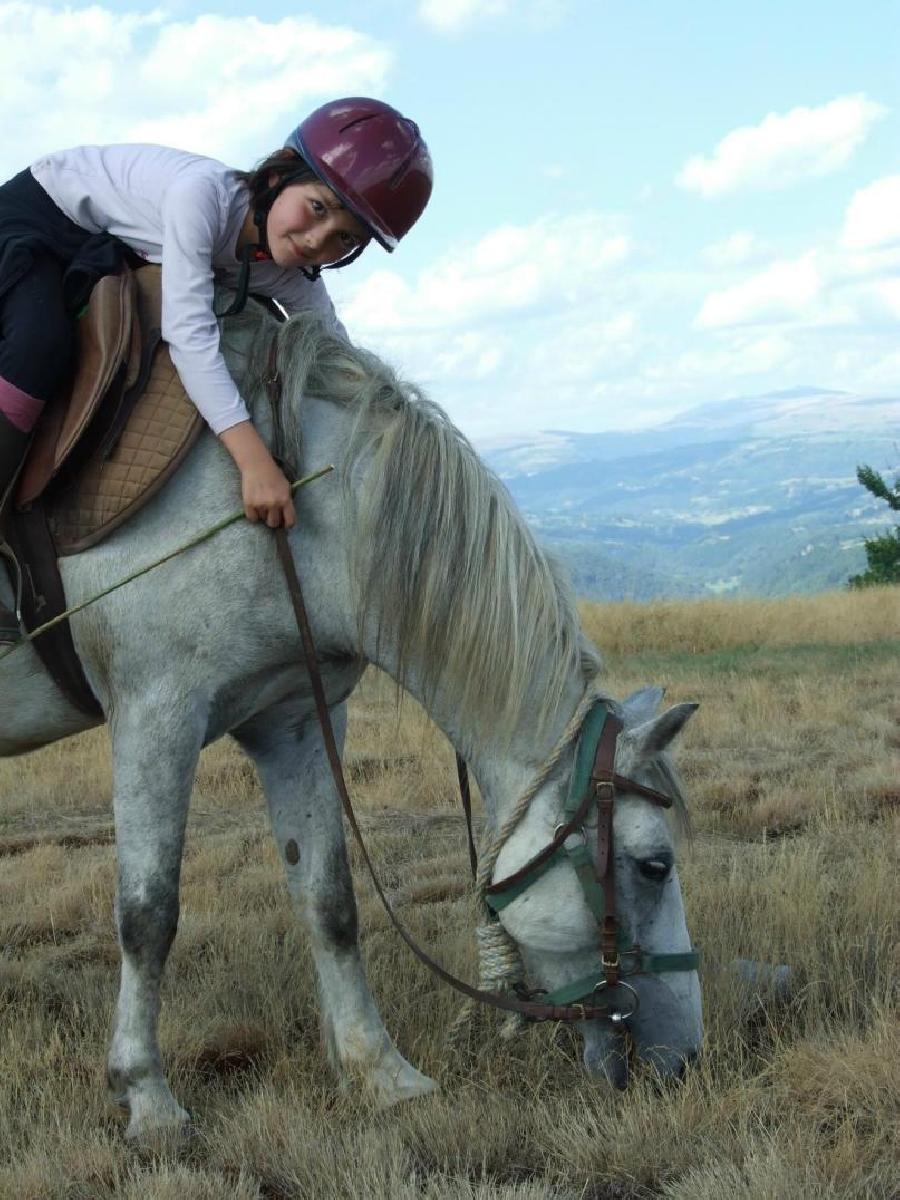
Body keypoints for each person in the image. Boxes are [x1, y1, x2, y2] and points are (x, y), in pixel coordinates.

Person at [0, 96, 432, 642]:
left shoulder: (287, 268)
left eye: (345, 239)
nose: (316, 242)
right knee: (40, 343)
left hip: (113, 240)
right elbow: (189, 336)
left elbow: (338, 355)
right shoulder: (199, 197)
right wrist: (254, 462)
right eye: (318, 208)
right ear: (277, 175)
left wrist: (396, 429)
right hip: (44, 214)